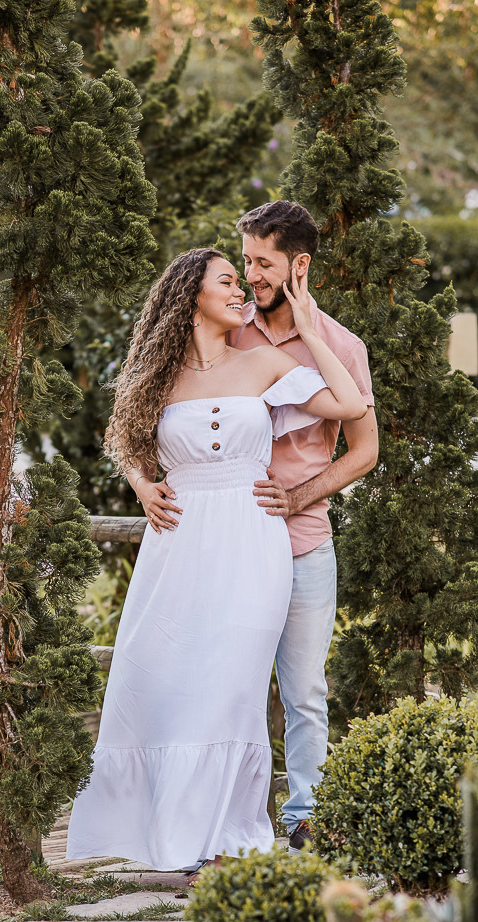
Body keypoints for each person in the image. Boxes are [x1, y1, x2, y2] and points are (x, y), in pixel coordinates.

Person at [65, 248, 367, 877]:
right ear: (189, 295)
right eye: (226, 281)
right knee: (175, 682)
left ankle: (232, 837)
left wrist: (308, 326)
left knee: (234, 683)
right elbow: (123, 437)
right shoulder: (159, 373)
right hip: (177, 544)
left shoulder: (265, 362)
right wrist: (142, 484)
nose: (240, 291)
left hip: (253, 542)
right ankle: (175, 833)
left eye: (241, 280)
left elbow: (350, 406)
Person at [232, 201, 378, 852]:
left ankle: (303, 819)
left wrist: (298, 498)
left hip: (303, 546)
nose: (250, 276)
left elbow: (365, 449)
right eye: (244, 262)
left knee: (305, 693)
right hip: (228, 546)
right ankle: (232, 823)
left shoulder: (342, 347)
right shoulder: (226, 332)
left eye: (262, 263)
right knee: (226, 687)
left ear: (298, 265)